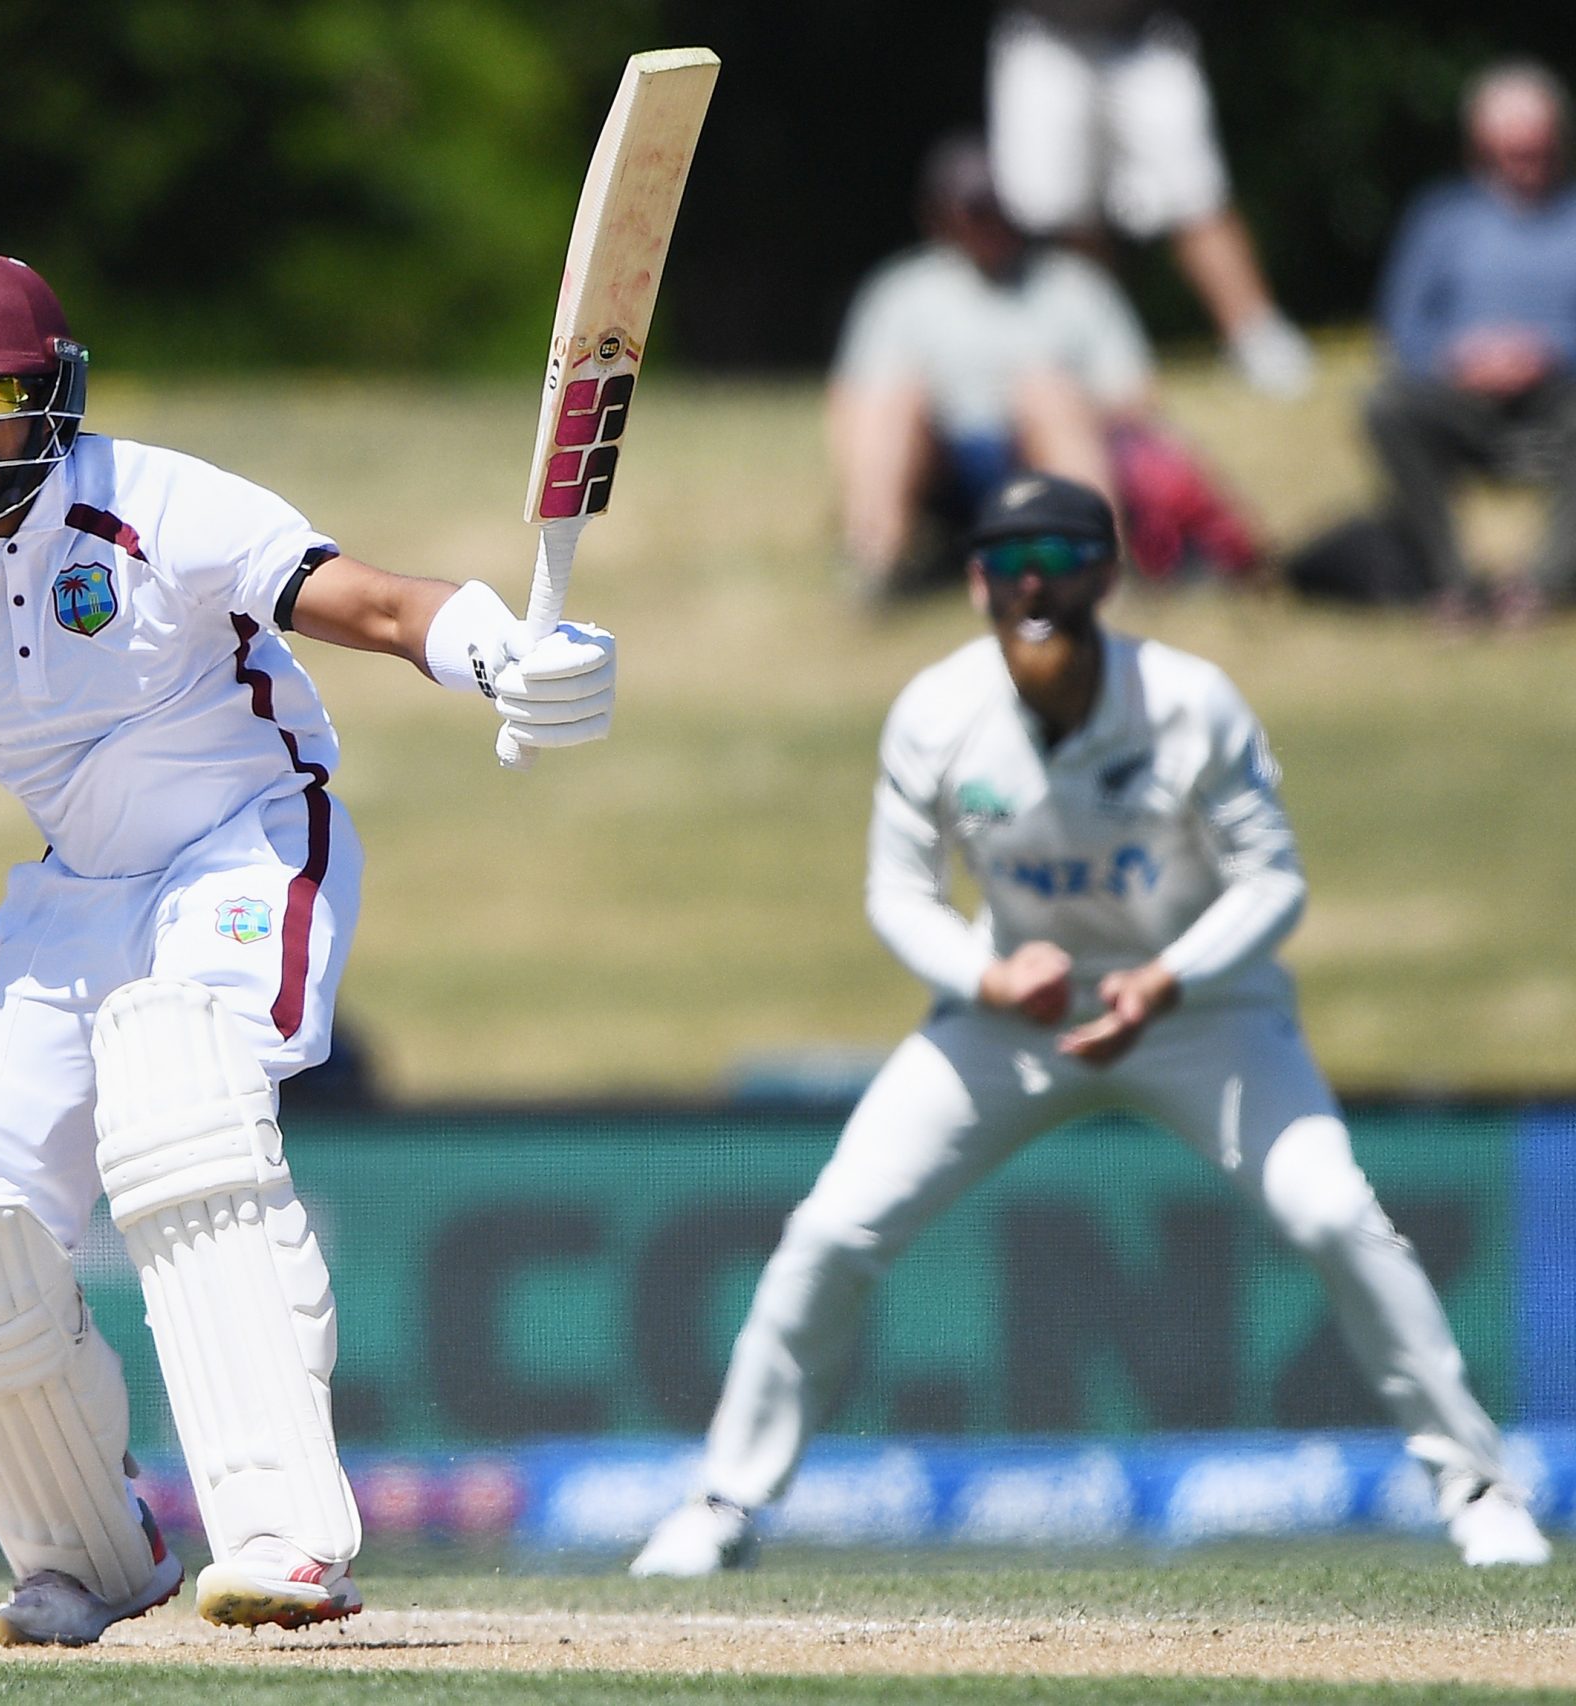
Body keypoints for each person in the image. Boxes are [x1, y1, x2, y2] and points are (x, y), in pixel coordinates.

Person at [0, 252, 617, 1646]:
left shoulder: (158, 504)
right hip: (81, 888)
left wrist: (496, 652)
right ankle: (91, 1547)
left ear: (54, 399)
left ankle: (283, 1535)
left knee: (181, 1111)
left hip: (247, 836)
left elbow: (376, 603)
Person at [630, 473, 1550, 1577]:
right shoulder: (936, 711)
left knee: (1336, 1215)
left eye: (1060, 560)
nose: (1034, 584)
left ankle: (1477, 1486)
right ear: (976, 581)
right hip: (1011, 1017)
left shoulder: (1189, 701)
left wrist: (1167, 977)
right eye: (1009, 562)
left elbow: (1272, 883)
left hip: (1203, 1012)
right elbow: (897, 894)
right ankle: (723, 1500)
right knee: (831, 1231)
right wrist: (990, 975)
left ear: (1107, 575)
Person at [831, 135, 1258, 599]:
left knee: (1046, 394)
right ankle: (876, 562)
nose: (987, 222)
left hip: (1044, 457)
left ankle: (1099, 566)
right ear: (939, 216)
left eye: (995, 207)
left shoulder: (1073, 283)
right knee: (893, 401)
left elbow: (1136, 393)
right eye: (972, 210)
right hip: (942, 460)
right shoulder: (901, 291)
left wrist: (1053, 403)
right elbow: (853, 401)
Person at [988, 3, 1315, 397]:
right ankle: (1099, 356)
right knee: (1069, 218)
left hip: (1145, 33)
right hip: (1043, 34)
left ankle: (1259, 342)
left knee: (1196, 199)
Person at [1366, 59, 1576, 630]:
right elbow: (1400, 325)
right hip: (1459, 399)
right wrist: (1459, 357)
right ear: (1480, 147)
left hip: (1559, 399)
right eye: (1509, 151)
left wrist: (1546, 351)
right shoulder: (1441, 219)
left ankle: (1542, 587)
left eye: (1535, 149)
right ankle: (1451, 584)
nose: (1524, 163)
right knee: (1386, 405)